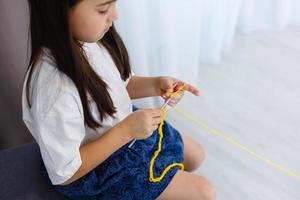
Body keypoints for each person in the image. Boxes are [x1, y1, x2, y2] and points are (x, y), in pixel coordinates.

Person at [22, 0, 215, 199]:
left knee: (196, 155)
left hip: (124, 130)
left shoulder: (93, 40)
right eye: (103, 9)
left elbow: (120, 86)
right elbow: (65, 172)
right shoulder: (54, 91)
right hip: (96, 169)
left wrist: (156, 84)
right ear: (59, 13)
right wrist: (125, 132)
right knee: (204, 192)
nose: (115, 15)